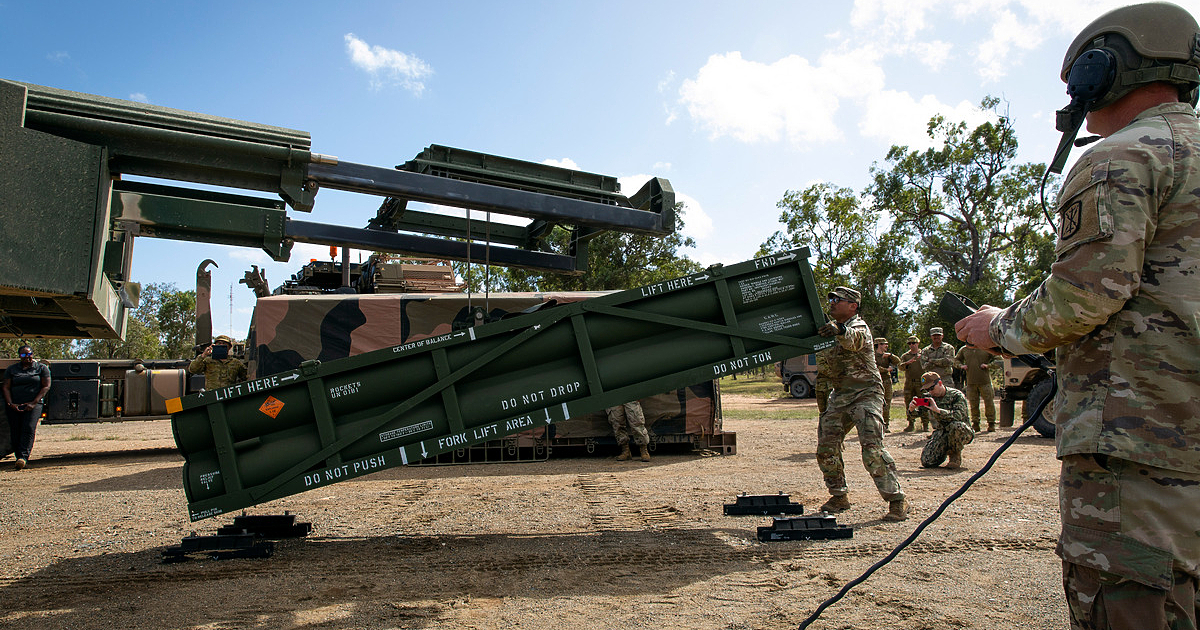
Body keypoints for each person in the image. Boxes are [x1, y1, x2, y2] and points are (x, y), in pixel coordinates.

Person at [955, 4, 1200, 627]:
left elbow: (1085, 296)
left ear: (1102, 70)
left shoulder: (1122, 157)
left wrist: (999, 328)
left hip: (1142, 451)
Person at [814, 287, 907, 522]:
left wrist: (839, 330)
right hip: (841, 395)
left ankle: (897, 500)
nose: (833, 303)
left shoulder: (858, 327)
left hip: (866, 393)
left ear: (853, 306)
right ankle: (839, 496)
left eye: (838, 300)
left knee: (872, 448)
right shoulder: (828, 330)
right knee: (826, 447)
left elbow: (853, 340)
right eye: (832, 299)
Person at [908, 372, 973, 470]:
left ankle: (955, 455)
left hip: (962, 431)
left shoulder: (956, 395)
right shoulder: (930, 397)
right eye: (927, 389)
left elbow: (958, 415)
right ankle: (943, 450)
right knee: (927, 461)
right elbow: (918, 414)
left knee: (955, 426)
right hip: (942, 432)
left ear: (940, 383)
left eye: (931, 388)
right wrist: (911, 410)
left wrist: (937, 410)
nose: (930, 392)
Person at [3, 345, 51, 471]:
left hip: (33, 404)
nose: (27, 357)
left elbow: (46, 386)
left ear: (32, 355)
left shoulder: (41, 368)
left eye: (29, 354)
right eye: (24, 355)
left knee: (28, 428)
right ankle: (18, 456)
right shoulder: (12, 369)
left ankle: (23, 457)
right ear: (19, 356)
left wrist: (34, 403)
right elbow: (6, 387)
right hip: (15, 405)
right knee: (15, 430)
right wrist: (10, 403)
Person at [954, 344, 999, 432]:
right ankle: (975, 424)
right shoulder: (964, 349)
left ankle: (991, 423)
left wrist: (988, 365)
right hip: (971, 382)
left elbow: (998, 360)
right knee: (973, 404)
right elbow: (956, 360)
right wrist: (961, 366)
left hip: (985, 382)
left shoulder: (986, 347)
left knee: (989, 403)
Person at [899, 335, 925, 432]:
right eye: (909, 343)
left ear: (917, 343)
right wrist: (907, 363)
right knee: (909, 403)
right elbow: (900, 367)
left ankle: (925, 424)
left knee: (923, 402)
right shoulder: (905, 356)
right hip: (909, 383)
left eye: (913, 343)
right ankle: (911, 423)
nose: (912, 345)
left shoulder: (923, 354)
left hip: (921, 383)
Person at [874, 338, 901, 431]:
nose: (886, 346)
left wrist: (891, 355)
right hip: (876, 381)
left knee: (887, 402)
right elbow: (874, 368)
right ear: (879, 345)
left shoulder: (888, 356)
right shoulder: (872, 355)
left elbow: (898, 361)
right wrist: (886, 370)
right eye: (884, 344)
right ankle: (877, 424)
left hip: (886, 381)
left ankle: (885, 425)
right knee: (876, 403)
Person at [813, 348, 833, 414]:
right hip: (822, 386)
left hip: (833, 386)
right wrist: (835, 375)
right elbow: (821, 366)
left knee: (832, 412)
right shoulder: (822, 350)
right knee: (823, 413)